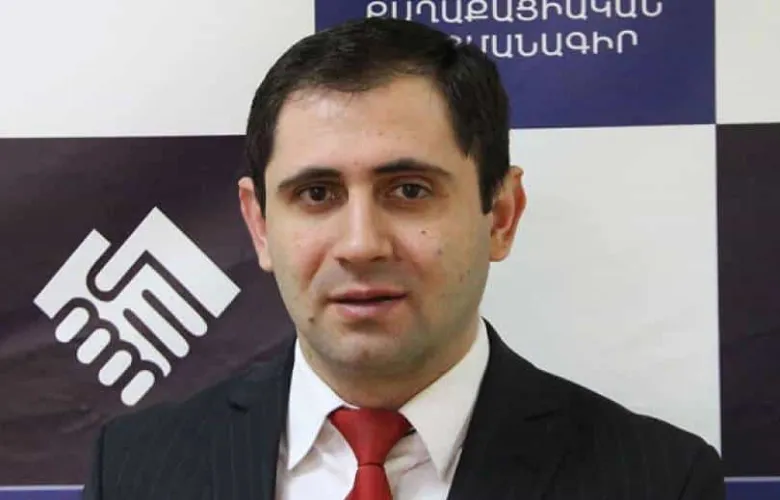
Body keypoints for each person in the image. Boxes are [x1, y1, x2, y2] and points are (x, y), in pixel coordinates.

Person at [82, 17, 724, 500]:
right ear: (259, 225)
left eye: (409, 190)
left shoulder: (660, 480)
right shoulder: (135, 471)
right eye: (316, 194)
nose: (361, 244)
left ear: (501, 216)